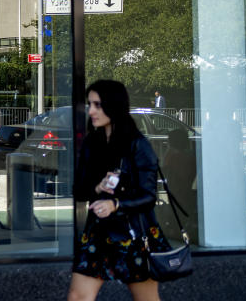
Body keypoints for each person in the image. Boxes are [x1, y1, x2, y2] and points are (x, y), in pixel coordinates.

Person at [68, 80, 171, 301]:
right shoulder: (91, 143)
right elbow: (79, 192)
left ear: (113, 106)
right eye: (90, 104)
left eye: (97, 104)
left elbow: (148, 196)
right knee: (78, 296)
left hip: (134, 233)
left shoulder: (137, 145)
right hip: (98, 233)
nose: (91, 111)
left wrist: (116, 204)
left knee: (146, 299)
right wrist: (97, 187)